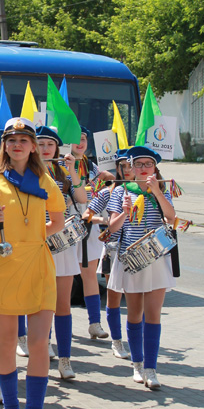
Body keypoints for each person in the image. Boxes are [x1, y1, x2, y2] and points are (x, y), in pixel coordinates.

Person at [0, 118, 66, 409]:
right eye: (11, 140)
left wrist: (37, 237)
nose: (17, 145)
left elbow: (58, 221)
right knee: (8, 341)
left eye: (24, 140)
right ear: (5, 145)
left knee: (40, 342)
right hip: (5, 264)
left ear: (33, 146)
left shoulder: (46, 180)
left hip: (39, 264)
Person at [106, 146, 176, 390]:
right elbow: (112, 229)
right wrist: (124, 212)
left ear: (155, 168)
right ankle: (137, 364)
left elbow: (171, 218)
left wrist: (157, 192)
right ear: (131, 168)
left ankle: (151, 368)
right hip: (130, 259)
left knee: (153, 315)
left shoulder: (162, 190)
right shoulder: (120, 191)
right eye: (139, 164)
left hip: (156, 257)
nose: (144, 168)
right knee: (135, 313)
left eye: (148, 164)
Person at [36, 126, 87, 379]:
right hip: (34, 242)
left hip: (62, 243)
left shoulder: (63, 172)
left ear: (57, 147)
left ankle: (65, 359)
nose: (46, 149)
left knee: (62, 304)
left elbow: (82, 198)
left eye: (50, 144)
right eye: (41, 144)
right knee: (38, 303)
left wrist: (73, 171)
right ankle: (42, 350)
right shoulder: (27, 172)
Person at [86, 150, 135, 360]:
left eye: (132, 165)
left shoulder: (144, 191)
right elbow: (86, 215)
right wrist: (105, 222)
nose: (129, 169)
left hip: (136, 248)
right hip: (113, 247)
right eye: (124, 165)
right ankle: (116, 341)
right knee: (115, 295)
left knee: (135, 298)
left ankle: (136, 341)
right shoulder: (109, 192)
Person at [71, 126, 114, 338]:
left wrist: (108, 180)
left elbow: (99, 195)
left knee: (89, 276)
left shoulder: (92, 167)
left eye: (84, 138)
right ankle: (57, 323)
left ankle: (94, 322)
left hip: (89, 225)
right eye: (75, 139)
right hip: (67, 225)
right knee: (62, 277)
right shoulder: (61, 165)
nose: (80, 143)